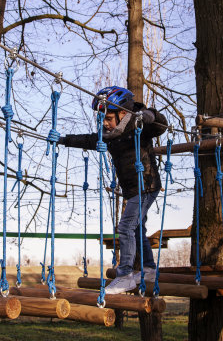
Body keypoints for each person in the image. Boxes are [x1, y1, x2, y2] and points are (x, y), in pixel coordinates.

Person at [58, 86, 168, 294]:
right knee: (136, 228)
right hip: (132, 189)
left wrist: (149, 114)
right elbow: (89, 139)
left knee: (126, 227)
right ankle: (148, 269)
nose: (105, 123)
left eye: (108, 118)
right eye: (103, 119)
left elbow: (161, 125)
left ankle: (125, 274)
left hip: (146, 185)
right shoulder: (110, 136)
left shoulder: (139, 126)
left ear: (123, 113)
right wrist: (64, 140)